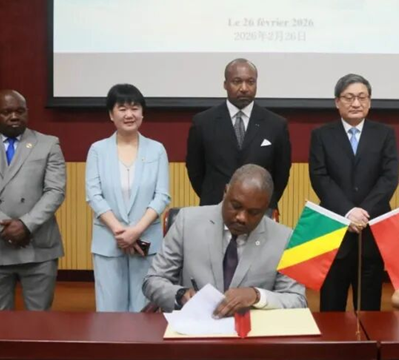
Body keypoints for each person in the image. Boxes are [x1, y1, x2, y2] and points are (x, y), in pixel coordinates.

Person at [143, 164, 306, 315]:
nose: (242, 217)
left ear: (265, 208)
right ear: (225, 192)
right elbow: (153, 280)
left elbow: (297, 300)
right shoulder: (187, 222)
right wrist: (180, 295)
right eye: (236, 206)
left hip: (252, 332)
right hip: (195, 330)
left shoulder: (285, 238)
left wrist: (257, 296)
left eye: (254, 212)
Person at [0, 90, 66, 310]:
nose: (14, 116)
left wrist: (25, 225)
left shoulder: (48, 144)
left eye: (20, 111)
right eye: (6, 112)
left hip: (37, 245)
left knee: (39, 320)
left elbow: (55, 190)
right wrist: (3, 227)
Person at [309, 74, 399, 312]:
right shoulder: (321, 135)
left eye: (362, 97)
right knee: (331, 308)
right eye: (349, 97)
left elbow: (389, 177)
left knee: (369, 310)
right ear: (337, 102)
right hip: (334, 230)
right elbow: (319, 177)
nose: (356, 103)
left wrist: (363, 212)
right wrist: (348, 212)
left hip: (372, 229)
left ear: (369, 101)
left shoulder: (385, 133)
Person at [85, 84, 171, 312]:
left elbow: (162, 196)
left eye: (134, 108)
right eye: (122, 109)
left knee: (144, 309)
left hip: (146, 241)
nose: (129, 114)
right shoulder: (97, 150)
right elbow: (93, 195)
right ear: (111, 114)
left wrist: (135, 231)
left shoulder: (157, 150)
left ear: (142, 113)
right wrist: (120, 231)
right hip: (108, 241)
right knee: (109, 310)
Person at [186, 58, 291, 210]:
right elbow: (195, 171)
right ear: (225, 84)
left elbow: (281, 174)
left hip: (259, 210)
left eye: (250, 82)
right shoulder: (203, 122)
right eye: (237, 81)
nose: (244, 88)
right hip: (214, 208)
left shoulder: (276, 124)